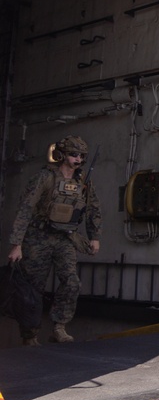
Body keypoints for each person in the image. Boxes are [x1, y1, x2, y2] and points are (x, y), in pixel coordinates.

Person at [7, 135, 101, 345]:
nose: (78, 159)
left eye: (82, 156)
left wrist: (94, 237)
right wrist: (17, 244)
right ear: (62, 155)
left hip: (65, 238)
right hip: (38, 237)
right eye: (73, 154)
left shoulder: (82, 181)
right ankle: (29, 335)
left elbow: (93, 209)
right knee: (33, 288)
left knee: (71, 282)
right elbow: (25, 208)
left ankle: (59, 327)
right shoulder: (45, 177)